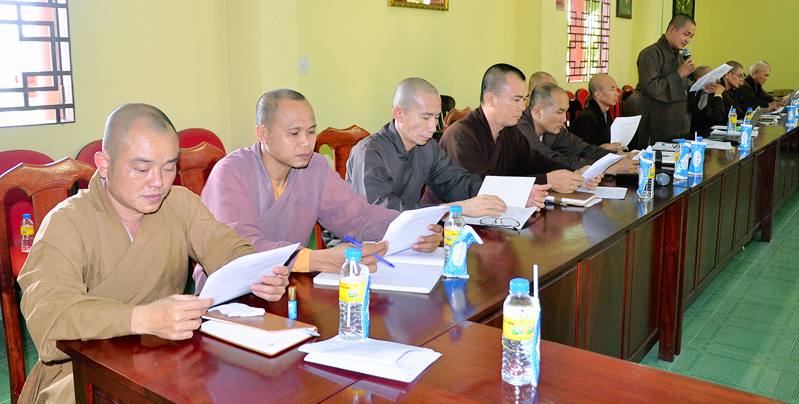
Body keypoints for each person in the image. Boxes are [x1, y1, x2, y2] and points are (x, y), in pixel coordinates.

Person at [17, 104, 291, 404]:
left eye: (169, 167)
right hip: (82, 374)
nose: (158, 182)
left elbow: (229, 249)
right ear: (104, 164)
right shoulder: (67, 222)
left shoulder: (180, 204)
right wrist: (142, 318)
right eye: (141, 169)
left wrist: (259, 275)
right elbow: (51, 318)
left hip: (166, 359)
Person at [195, 89, 443, 290]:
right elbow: (242, 249)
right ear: (263, 134)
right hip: (227, 297)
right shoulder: (230, 172)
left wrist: (416, 229)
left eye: (311, 131)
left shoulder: (314, 166)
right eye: (294, 133)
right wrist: (317, 260)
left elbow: (357, 216)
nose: (306, 143)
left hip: (287, 286)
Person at [346, 78, 548, 215]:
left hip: (407, 238)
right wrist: (454, 209)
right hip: (359, 246)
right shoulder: (370, 152)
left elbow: (460, 183)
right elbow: (380, 211)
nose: (432, 127)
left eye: (436, 117)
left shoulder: (428, 148)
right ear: (399, 114)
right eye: (425, 117)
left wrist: (516, 195)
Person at [439, 64, 601, 193]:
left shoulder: (510, 131)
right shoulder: (460, 135)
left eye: (524, 100)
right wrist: (547, 180)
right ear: (491, 99)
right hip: (453, 219)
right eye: (516, 100)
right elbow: (481, 187)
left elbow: (535, 163)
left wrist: (575, 174)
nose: (522, 108)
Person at [518, 80, 636, 174]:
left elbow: (582, 149)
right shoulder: (520, 129)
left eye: (565, 112)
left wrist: (618, 156)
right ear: (538, 111)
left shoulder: (553, 129)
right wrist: (606, 167)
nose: (564, 119)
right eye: (559, 112)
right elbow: (550, 160)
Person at [634, 14, 699, 148]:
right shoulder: (650, 54)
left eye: (691, 37)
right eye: (686, 34)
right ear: (672, 30)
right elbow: (650, 88)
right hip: (657, 127)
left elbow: (684, 91)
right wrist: (679, 75)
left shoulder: (680, 58)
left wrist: (701, 87)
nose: (688, 40)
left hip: (680, 127)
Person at [571, 73, 626, 149]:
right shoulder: (585, 118)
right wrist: (601, 150)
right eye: (612, 90)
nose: (617, 94)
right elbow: (584, 152)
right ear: (598, 94)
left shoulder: (605, 113)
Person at [688, 66, 726, 137]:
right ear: (699, 80)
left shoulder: (710, 92)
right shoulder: (695, 95)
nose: (717, 80)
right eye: (712, 77)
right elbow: (718, 117)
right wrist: (718, 94)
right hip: (699, 136)